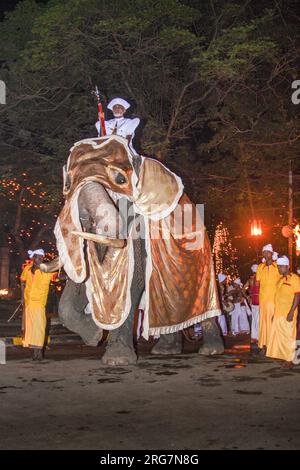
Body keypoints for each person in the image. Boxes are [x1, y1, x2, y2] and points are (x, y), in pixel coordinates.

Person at [21, 249, 57, 361]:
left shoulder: (46, 271)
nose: (41, 259)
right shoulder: (27, 269)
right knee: (31, 328)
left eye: (42, 258)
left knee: (40, 328)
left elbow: (57, 277)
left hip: (39, 303)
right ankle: (34, 352)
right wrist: (22, 297)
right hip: (28, 303)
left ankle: (39, 352)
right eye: (38, 257)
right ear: (33, 258)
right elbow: (22, 282)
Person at [266, 256, 300, 369]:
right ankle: (285, 357)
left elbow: (297, 296)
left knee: (289, 336)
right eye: (278, 266)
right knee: (280, 337)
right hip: (278, 313)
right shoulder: (280, 280)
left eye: (280, 267)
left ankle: (290, 360)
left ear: (286, 266)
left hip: (288, 313)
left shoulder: (294, 278)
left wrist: (291, 312)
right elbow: (277, 297)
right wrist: (274, 314)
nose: (279, 269)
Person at [256, 243, 281, 354]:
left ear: (271, 254)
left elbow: (282, 282)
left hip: (274, 299)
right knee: (263, 322)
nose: (265, 254)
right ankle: (263, 345)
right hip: (263, 300)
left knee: (273, 322)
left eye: (267, 252)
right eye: (264, 252)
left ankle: (273, 346)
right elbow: (257, 283)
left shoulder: (277, 267)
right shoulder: (260, 267)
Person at [244, 264, 260, 344]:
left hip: (252, 300)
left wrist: (248, 296)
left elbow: (243, 289)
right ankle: (258, 337)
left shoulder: (250, 280)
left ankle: (253, 337)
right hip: (259, 300)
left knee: (254, 319)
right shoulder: (259, 279)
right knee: (258, 319)